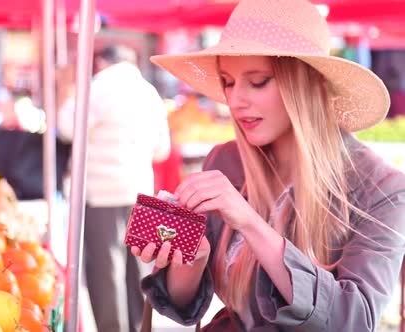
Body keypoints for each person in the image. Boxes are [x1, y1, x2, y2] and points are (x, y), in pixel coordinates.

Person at [131, 0, 405, 331]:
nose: (236, 100)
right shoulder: (226, 161)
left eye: (258, 81)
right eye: (228, 82)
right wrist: (192, 258)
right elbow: (181, 303)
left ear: (305, 83)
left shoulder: (381, 188)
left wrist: (250, 224)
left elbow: (355, 320)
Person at [57, 45, 171, 332]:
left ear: (101, 61)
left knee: (107, 273)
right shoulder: (149, 93)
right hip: (141, 192)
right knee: (140, 271)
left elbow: (66, 127)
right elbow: (162, 151)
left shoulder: (100, 86)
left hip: (102, 193)